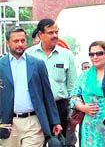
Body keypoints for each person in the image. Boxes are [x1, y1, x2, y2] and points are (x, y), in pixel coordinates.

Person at [0, 26, 62, 147]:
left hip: (33, 122)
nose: (20, 44)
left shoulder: (37, 64)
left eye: (22, 41)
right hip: (9, 123)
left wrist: (55, 121)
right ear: (7, 42)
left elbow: (47, 95)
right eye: (16, 41)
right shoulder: (1, 65)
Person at [26, 18, 77, 147]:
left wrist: (72, 112)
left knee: (60, 143)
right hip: (36, 109)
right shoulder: (29, 55)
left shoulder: (67, 55)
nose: (55, 36)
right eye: (50, 32)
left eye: (56, 32)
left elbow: (73, 88)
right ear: (40, 34)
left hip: (60, 108)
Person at [70, 41, 105, 147]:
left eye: (99, 53)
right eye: (92, 54)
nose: (95, 57)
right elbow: (74, 96)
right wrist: (83, 107)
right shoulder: (84, 75)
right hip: (90, 126)